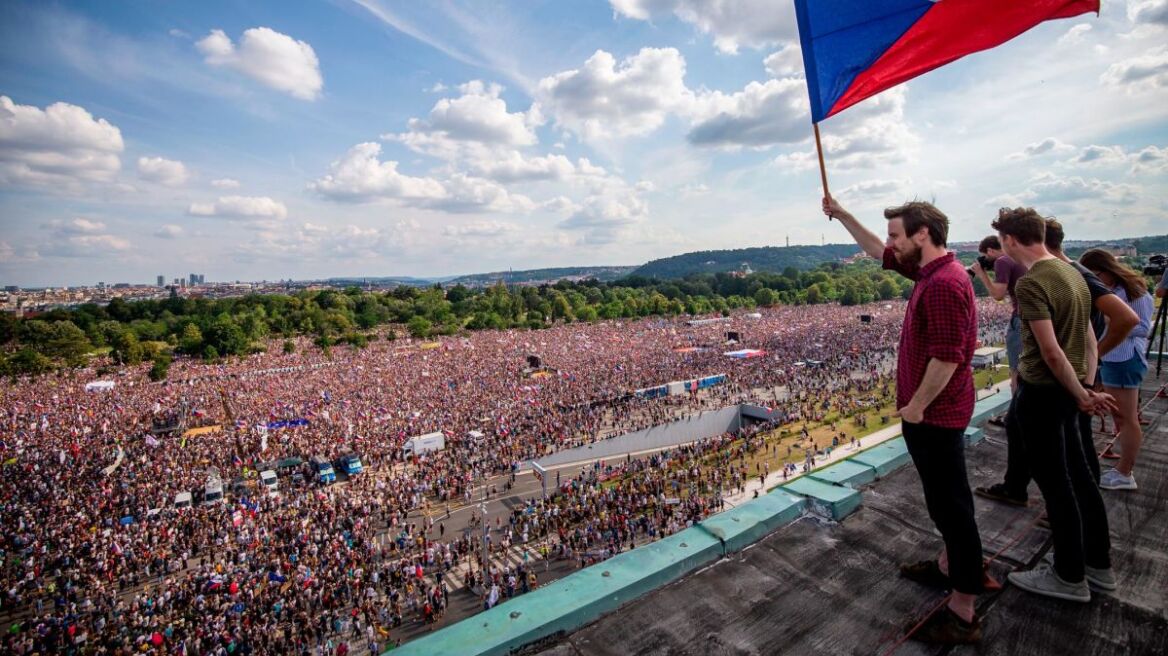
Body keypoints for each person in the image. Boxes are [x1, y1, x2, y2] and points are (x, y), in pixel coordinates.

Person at [824, 196, 983, 644]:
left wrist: (916, 406)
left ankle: (963, 608)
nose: (891, 243)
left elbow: (949, 356)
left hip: (935, 415)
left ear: (922, 234)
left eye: (898, 234)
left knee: (953, 509)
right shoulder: (932, 271)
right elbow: (878, 252)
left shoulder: (944, 284)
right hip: (933, 413)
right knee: (945, 503)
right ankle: (952, 565)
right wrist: (843, 215)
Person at [993, 208, 1117, 603]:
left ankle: (1067, 576)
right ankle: (1098, 565)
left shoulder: (1033, 283)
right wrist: (1083, 386)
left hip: (1044, 393)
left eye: (1000, 242)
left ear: (1012, 240)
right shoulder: (1073, 273)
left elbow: (1049, 351)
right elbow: (1090, 341)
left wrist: (1081, 393)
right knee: (1081, 479)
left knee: (1056, 486)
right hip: (1069, 387)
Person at [975, 219, 1137, 506]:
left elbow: (1126, 318)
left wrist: (1086, 375)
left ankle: (1074, 519)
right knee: (1038, 435)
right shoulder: (1070, 272)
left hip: (1063, 378)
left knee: (1072, 460)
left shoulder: (1069, 274)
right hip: (1069, 374)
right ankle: (1021, 488)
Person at [1079, 248, 1155, 491]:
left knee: (1126, 418)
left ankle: (1125, 473)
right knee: (1120, 417)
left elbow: (1143, 327)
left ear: (1106, 271)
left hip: (1125, 359)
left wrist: (1113, 320)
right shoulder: (1117, 291)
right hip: (1114, 358)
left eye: (1095, 276)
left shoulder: (1135, 293)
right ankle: (1123, 469)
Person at [970, 234, 1028, 420]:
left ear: (990, 251)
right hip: (1032, 317)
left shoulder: (1003, 260)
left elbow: (998, 294)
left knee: (1016, 371)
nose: (986, 262)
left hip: (1021, 318)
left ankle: (1017, 415)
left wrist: (982, 274)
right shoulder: (1019, 257)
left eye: (985, 257)